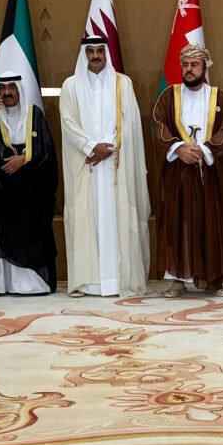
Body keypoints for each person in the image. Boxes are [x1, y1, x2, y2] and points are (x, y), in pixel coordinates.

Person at [59, 36, 150, 297]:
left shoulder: (123, 83)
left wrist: (107, 148)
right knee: (85, 219)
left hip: (115, 166)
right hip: (85, 165)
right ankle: (87, 282)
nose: (96, 56)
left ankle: (117, 280)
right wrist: (90, 147)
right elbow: (68, 122)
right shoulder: (71, 86)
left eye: (100, 51)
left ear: (106, 53)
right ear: (84, 55)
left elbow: (129, 122)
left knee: (115, 218)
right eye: (90, 51)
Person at [152, 44, 223, 297]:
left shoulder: (220, 98)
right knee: (178, 224)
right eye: (186, 65)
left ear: (205, 67)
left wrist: (204, 151)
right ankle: (177, 279)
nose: (189, 69)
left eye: (195, 65)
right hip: (177, 172)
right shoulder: (169, 96)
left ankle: (215, 279)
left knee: (211, 224)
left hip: (209, 173)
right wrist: (178, 148)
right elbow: (159, 125)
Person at [0, 72, 58, 296]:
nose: (7, 92)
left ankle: (32, 284)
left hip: (30, 191)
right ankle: (0, 284)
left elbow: (47, 150)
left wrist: (24, 159)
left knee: (30, 235)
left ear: (19, 90)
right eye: (2, 88)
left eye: (11, 87)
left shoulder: (34, 114)